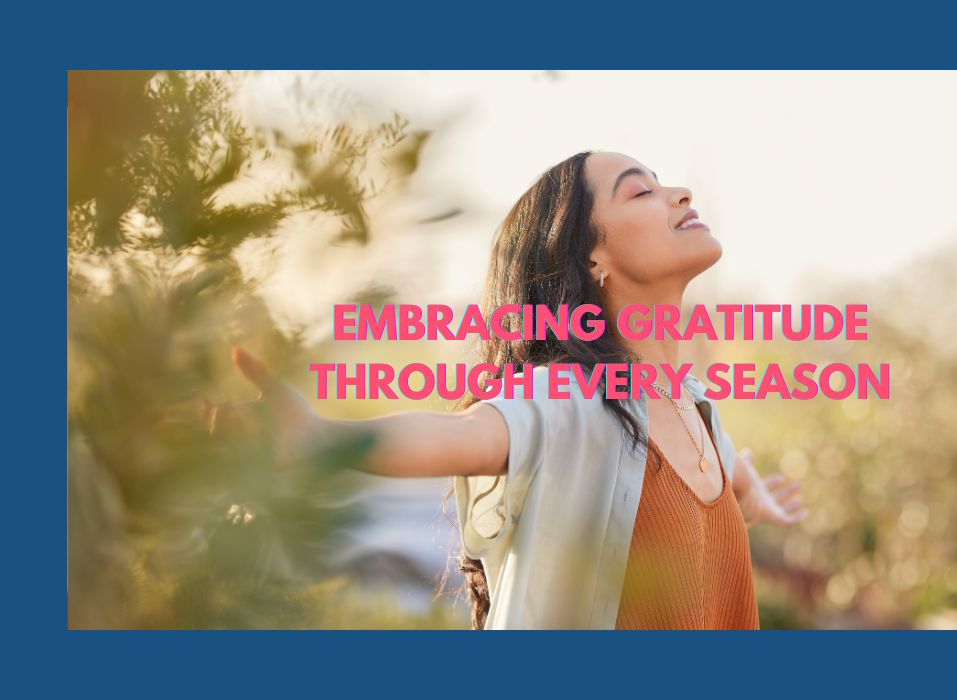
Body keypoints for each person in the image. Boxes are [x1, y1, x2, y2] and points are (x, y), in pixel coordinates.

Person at [222, 151, 807, 629]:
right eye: (640, 192)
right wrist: (322, 438)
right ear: (591, 256)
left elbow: (725, 468)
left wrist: (751, 495)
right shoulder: (569, 400)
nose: (679, 192)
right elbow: (465, 433)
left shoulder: (695, 408)